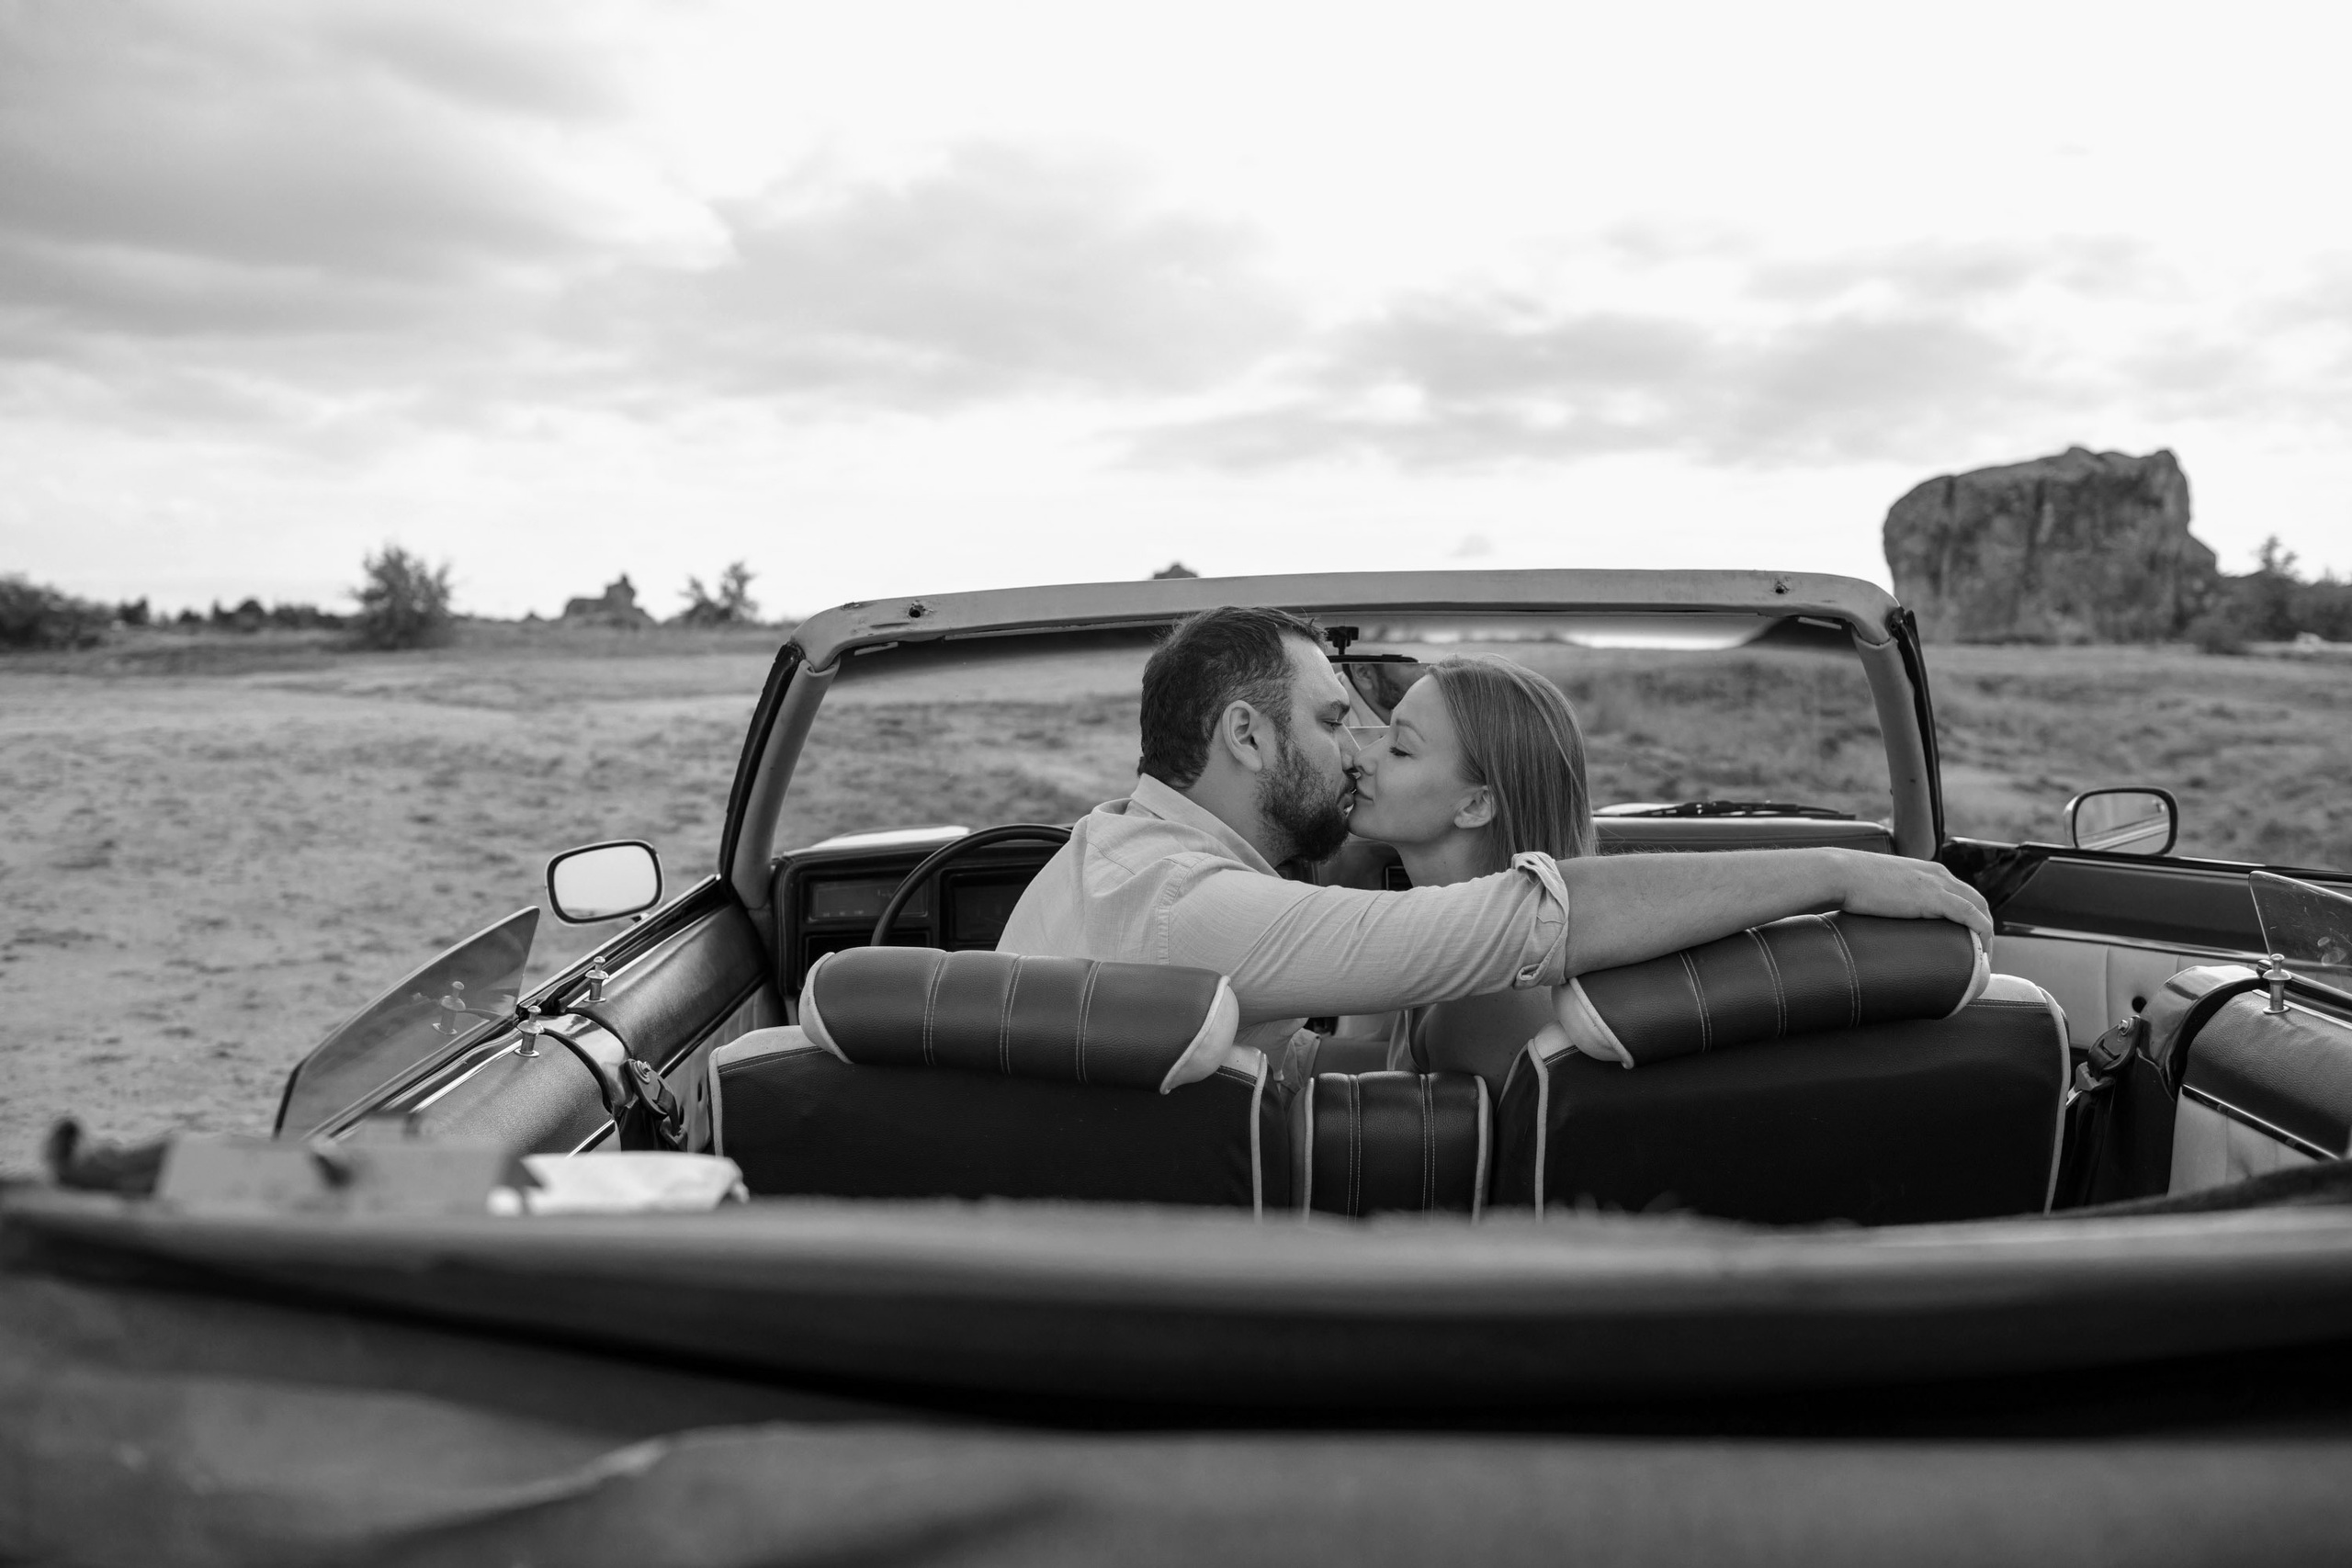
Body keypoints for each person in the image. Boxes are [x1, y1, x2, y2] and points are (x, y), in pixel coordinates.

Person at [996, 606, 1990, 1088]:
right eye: (1335, 720)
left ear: (1475, 801)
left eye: (1386, 736)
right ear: (1246, 739)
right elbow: (1527, 915)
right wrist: (1835, 867)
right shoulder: (1198, 910)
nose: (1354, 752)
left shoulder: (1101, 854)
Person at [1334, 653, 1597, 1092]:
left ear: (1475, 805)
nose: (1362, 759)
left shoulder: (1485, 994)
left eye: (1400, 748)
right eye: (1383, 733)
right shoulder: (1463, 942)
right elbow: (1393, 1065)